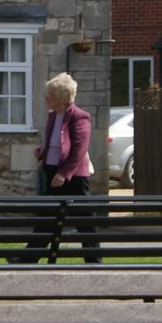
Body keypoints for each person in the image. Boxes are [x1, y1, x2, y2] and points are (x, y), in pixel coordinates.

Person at [35, 72, 101, 263]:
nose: (47, 99)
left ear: (62, 98)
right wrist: (42, 151)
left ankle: (94, 261)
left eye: (51, 95)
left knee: (85, 221)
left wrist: (64, 174)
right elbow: (55, 143)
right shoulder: (53, 116)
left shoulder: (79, 117)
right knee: (46, 218)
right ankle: (28, 257)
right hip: (52, 171)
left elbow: (79, 149)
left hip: (73, 177)